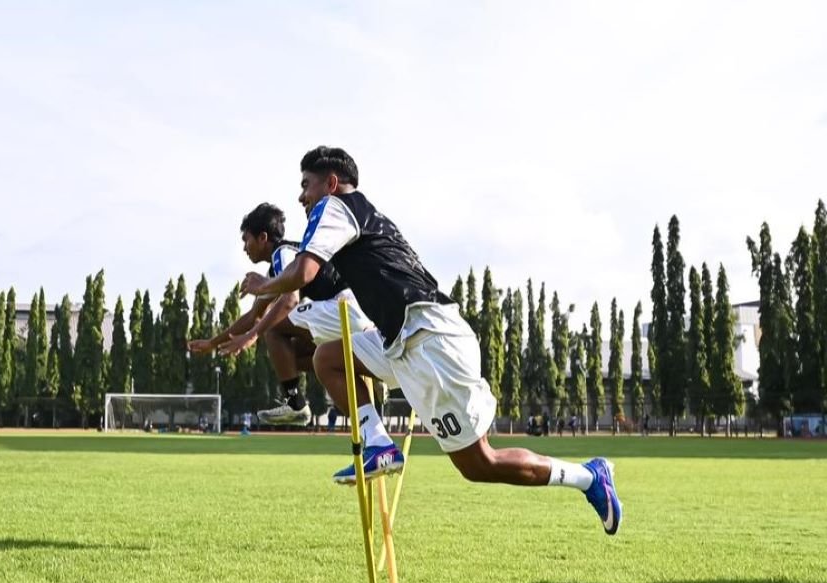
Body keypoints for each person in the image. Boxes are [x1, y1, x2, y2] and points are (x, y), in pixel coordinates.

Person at [240, 146, 622, 535]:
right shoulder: (354, 219)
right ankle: (378, 444)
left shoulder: (335, 207)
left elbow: (304, 272)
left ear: (332, 184)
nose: (301, 196)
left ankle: (589, 476)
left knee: (480, 463)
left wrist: (262, 287)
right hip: (399, 340)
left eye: (306, 185)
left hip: (431, 338)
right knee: (328, 359)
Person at [188, 203, 373, 426]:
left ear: (262, 238)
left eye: (246, 240)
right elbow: (253, 316)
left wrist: (252, 336)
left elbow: (289, 300)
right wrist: (212, 343)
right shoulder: (277, 269)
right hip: (352, 316)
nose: (245, 248)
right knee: (292, 357)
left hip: (344, 309)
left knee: (274, 327)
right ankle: (359, 376)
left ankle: (295, 404)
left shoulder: (283, 253)